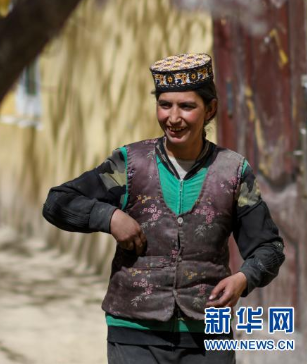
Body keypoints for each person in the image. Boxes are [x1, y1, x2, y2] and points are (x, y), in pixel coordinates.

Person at [43, 53, 285, 363]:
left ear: (210, 109)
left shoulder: (234, 172)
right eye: (165, 104)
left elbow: (269, 248)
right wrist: (110, 216)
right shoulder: (129, 164)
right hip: (134, 332)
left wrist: (243, 279)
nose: (173, 117)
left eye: (187, 106)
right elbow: (57, 202)